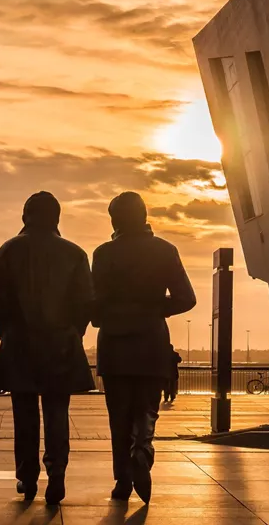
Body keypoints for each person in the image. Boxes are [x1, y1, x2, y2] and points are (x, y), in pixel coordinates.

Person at [93, 192, 196, 504]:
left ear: (115, 220)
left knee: (118, 417)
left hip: (114, 345)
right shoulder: (165, 251)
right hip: (152, 343)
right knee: (147, 411)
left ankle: (123, 481)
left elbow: (93, 304)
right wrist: (155, 306)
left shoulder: (104, 253)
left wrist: (108, 314)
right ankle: (143, 450)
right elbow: (187, 298)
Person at [0, 191, 94, 506]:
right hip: (60, 344)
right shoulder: (75, 254)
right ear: (57, 218)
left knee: (24, 415)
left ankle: (27, 476)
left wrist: (5, 330)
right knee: (56, 412)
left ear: (26, 216)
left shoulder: (8, 251)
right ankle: (57, 474)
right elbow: (85, 303)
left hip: (20, 344)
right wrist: (73, 333)